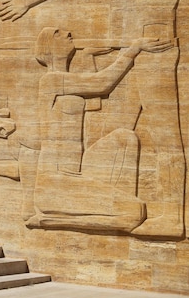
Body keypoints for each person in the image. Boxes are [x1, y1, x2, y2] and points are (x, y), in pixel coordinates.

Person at [0, 0, 187, 237]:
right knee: (123, 137)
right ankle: (92, 201)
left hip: (157, 53)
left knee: (166, 138)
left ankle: (173, 216)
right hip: (127, 56)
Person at [31, 27, 172, 232]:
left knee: (125, 138)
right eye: (57, 33)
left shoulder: (67, 81)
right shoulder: (50, 80)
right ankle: (48, 219)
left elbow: (94, 101)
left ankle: (118, 203)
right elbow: (101, 84)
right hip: (55, 182)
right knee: (134, 212)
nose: (68, 33)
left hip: (78, 174)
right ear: (48, 48)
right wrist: (134, 49)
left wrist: (88, 55)